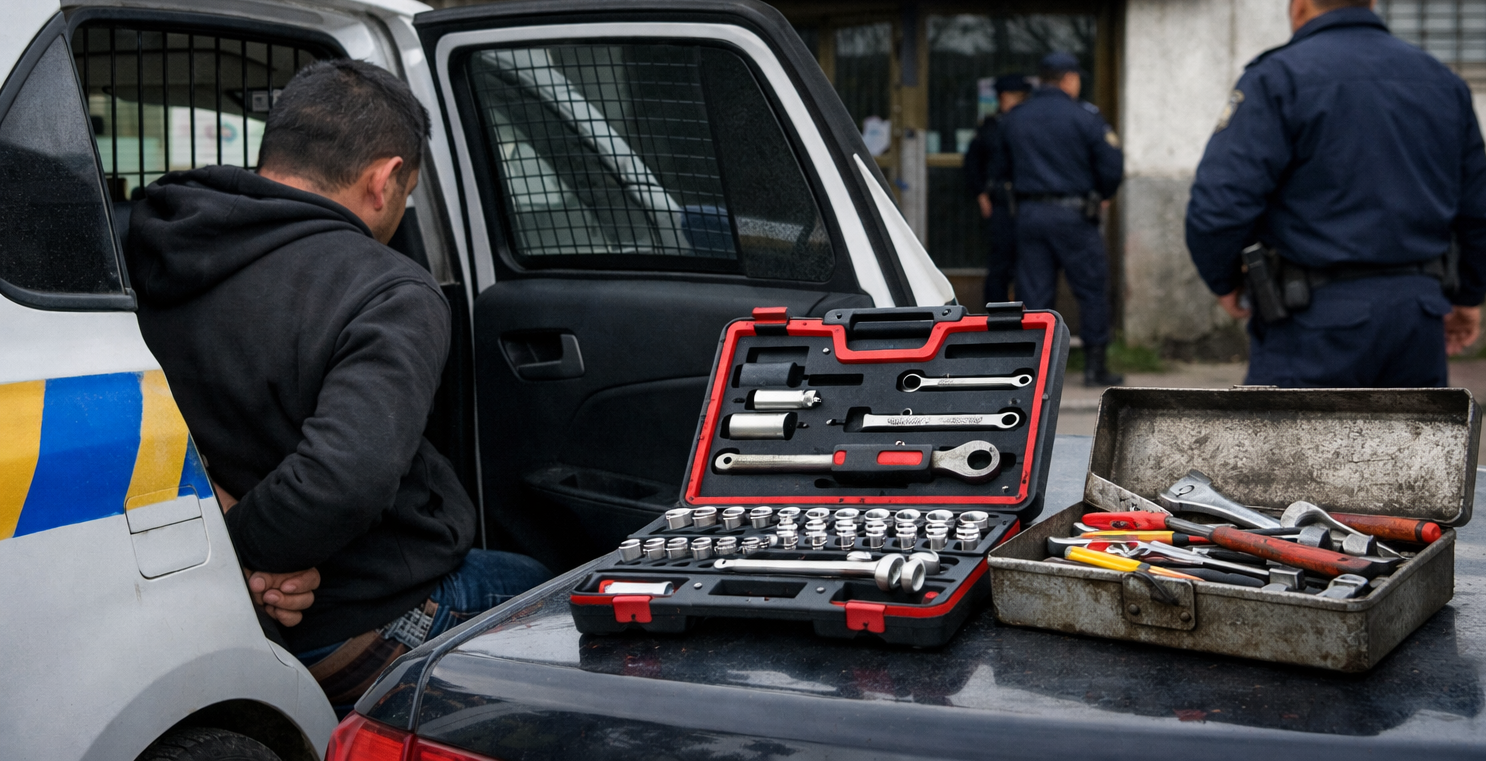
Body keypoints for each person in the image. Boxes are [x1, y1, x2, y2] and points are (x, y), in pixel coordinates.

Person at [125, 59, 550, 705]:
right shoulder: (388, 290)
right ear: (384, 179)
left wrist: (219, 540)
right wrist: (243, 561)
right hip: (348, 618)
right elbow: (342, 480)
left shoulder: (144, 242)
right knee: (547, 591)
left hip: (170, 595)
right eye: (407, 193)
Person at [1186, 0, 1486, 387]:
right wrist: (1468, 296)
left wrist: (1226, 283)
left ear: (1299, 7)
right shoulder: (1442, 81)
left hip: (1313, 321)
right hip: (1419, 317)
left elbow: (1219, 205)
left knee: (1293, 430)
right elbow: (1477, 208)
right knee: (1411, 429)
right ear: (1372, 3)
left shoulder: (1278, 78)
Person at [998, 52, 1125, 386]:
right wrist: (1102, 193)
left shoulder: (1016, 117)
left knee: (1034, 294)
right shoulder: (1085, 116)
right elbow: (1112, 166)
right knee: (1091, 288)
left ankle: (1034, 373)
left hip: (1029, 213)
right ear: (1069, 78)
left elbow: (1000, 167)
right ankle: (1095, 368)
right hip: (1074, 215)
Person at [964, 74, 1032, 306]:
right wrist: (981, 195)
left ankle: (1028, 315)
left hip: (1029, 202)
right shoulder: (992, 127)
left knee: (1030, 264)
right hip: (1002, 202)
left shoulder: (1029, 124)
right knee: (1001, 263)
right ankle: (996, 315)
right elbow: (973, 163)